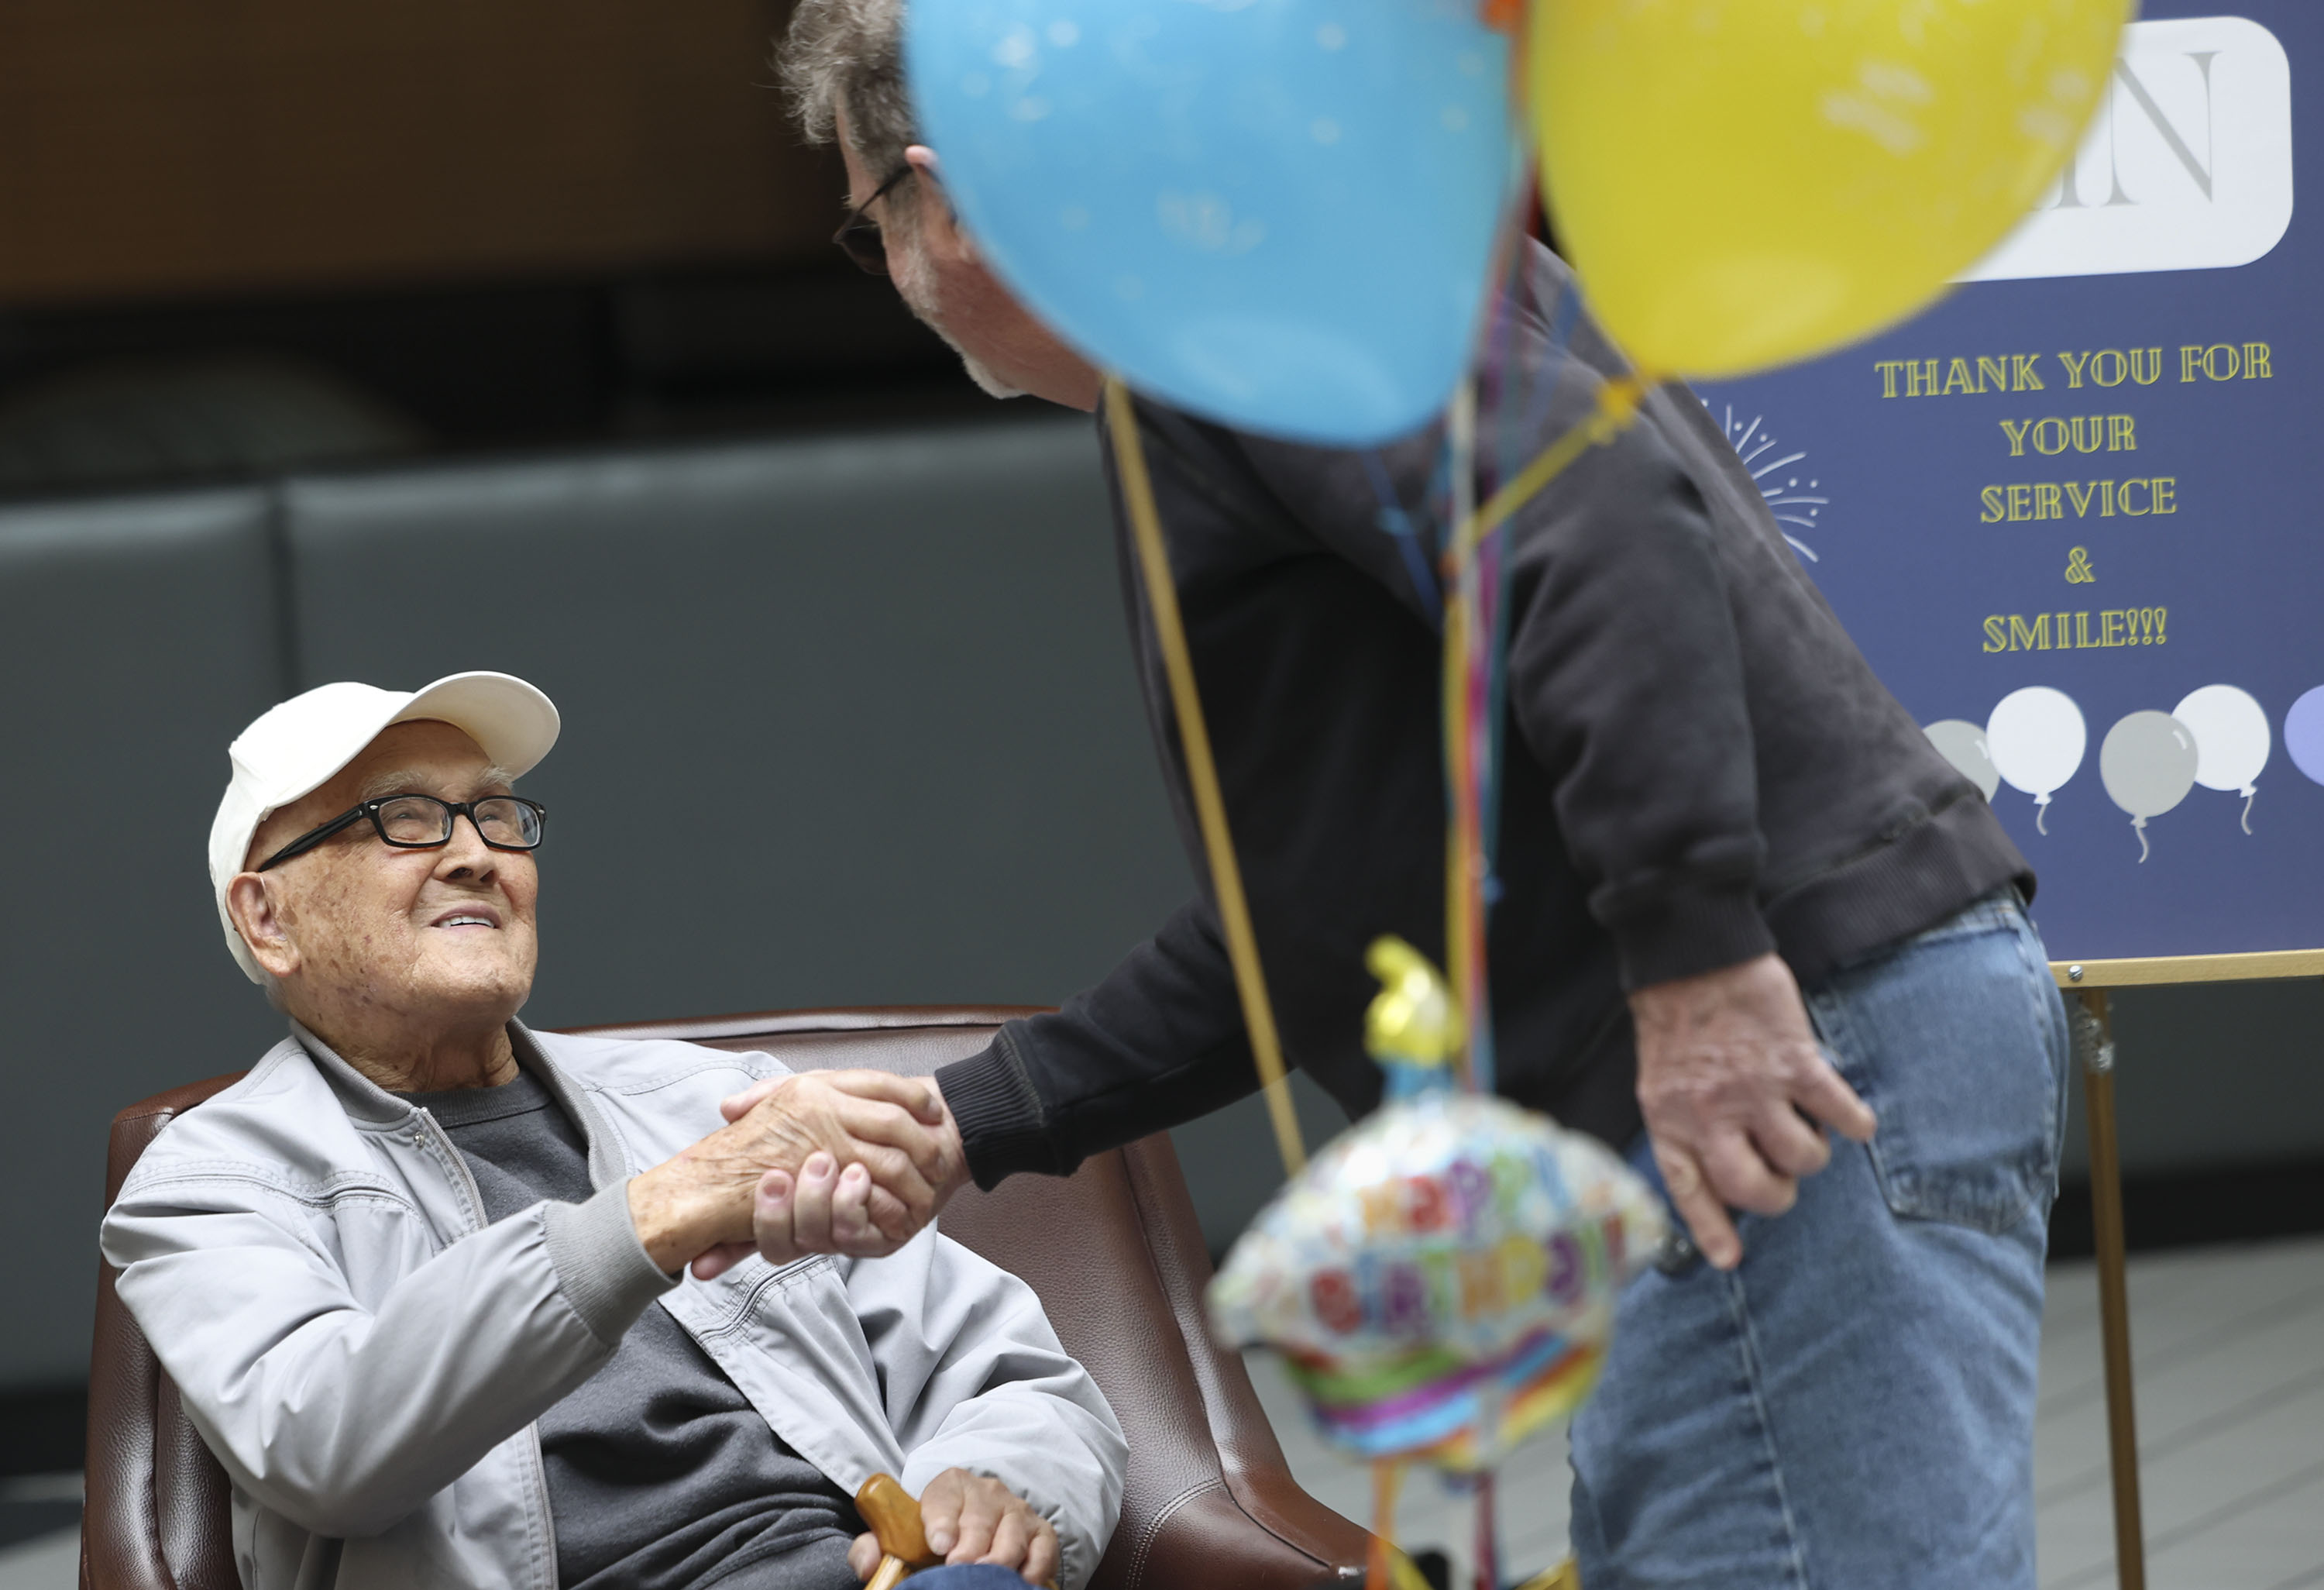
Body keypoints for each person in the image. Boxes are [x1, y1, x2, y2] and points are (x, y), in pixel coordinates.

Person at [761, 6, 2076, 1587]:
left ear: (945, 193)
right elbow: (1332, 906)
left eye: (864, 230)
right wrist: (973, 1117)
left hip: (1774, 1053)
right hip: (1808, 1035)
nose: (890, 276)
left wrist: (1702, 971)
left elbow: (1600, 531)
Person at [100, 672, 1125, 1590]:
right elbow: (328, 1443)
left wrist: (998, 1484)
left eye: (496, 816)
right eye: (404, 819)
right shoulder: (208, 1180)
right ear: (267, 918)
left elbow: (1010, 1372)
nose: (474, 855)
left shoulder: (709, 1102)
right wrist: (656, 1214)